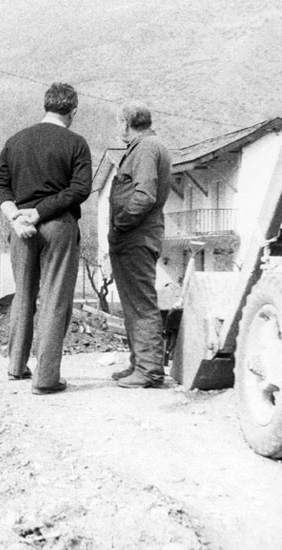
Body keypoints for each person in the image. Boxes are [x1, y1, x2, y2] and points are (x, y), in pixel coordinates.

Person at [0, 82, 92, 394]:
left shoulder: (16, 140)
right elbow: (80, 189)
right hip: (58, 226)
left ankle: (16, 366)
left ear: (45, 106)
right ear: (72, 112)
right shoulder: (76, 143)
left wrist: (16, 215)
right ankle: (46, 379)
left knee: (24, 293)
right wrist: (41, 212)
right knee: (54, 297)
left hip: (20, 228)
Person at [107, 103, 171, 388]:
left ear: (125, 123)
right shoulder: (147, 146)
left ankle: (149, 370)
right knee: (134, 303)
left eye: (119, 122)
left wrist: (121, 222)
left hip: (136, 237)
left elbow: (144, 195)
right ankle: (139, 364)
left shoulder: (145, 149)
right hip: (134, 238)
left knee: (141, 303)